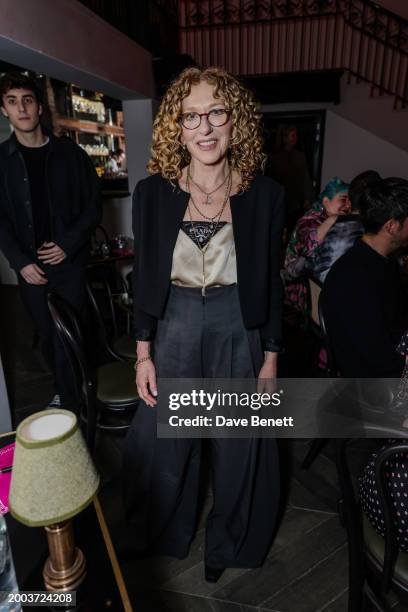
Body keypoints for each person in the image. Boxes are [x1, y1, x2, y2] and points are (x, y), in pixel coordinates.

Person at [123, 66, 284, 581]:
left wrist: (271, 360)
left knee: (238, 448)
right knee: (167, 443)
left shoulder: (266, 195)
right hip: (174, 322)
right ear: (178, 126)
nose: (205, 127)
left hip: (240, 326)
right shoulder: (152, 194)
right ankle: (163, 534)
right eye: (191, 116)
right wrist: (143, 353)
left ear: (234, 121)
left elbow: (274, 282)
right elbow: (146, 278)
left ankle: (228, 546)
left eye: (216, 112)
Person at [0, 72, 101, 408]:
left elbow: (93, 207)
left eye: (27, 100)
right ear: (4, 111)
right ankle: (67, 389)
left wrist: (68, 244)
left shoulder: (71, 155)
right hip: (31, 269)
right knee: (46, 336)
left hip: (68, 265)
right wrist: (20, 262)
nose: (22, 108)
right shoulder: (0, 161)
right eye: (12, 102)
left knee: (72, 334)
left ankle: (74, 400)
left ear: (39, 107)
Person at [321, 177, 408, 378]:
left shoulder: (382, 261)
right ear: (391, 226)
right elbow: (376, 360)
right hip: (375, 387)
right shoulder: (354, 278)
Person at [282, 177, 349, 316]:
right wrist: (333, 219)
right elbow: (308, 248)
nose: (347, 205)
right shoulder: (309, 221)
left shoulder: (340, 224)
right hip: (299, 295)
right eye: (343, 199)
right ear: (326, 201)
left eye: (350, 202)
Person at [306, 171, 381, 283]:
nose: (345, 205)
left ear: (351, 202)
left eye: (347, 200)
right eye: (342, 199)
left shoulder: (332, 223)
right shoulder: (374, 231)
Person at [268, 125, 314, 234]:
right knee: (277, 231)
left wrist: (307, 198)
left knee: (294, 231)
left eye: (296, 135)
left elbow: (305, 179)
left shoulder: (300, 156)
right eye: (292, 135)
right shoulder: (275, 158)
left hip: (296, 202)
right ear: (285, 138)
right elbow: (270, 180)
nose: (295, 138)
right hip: (279, 202)